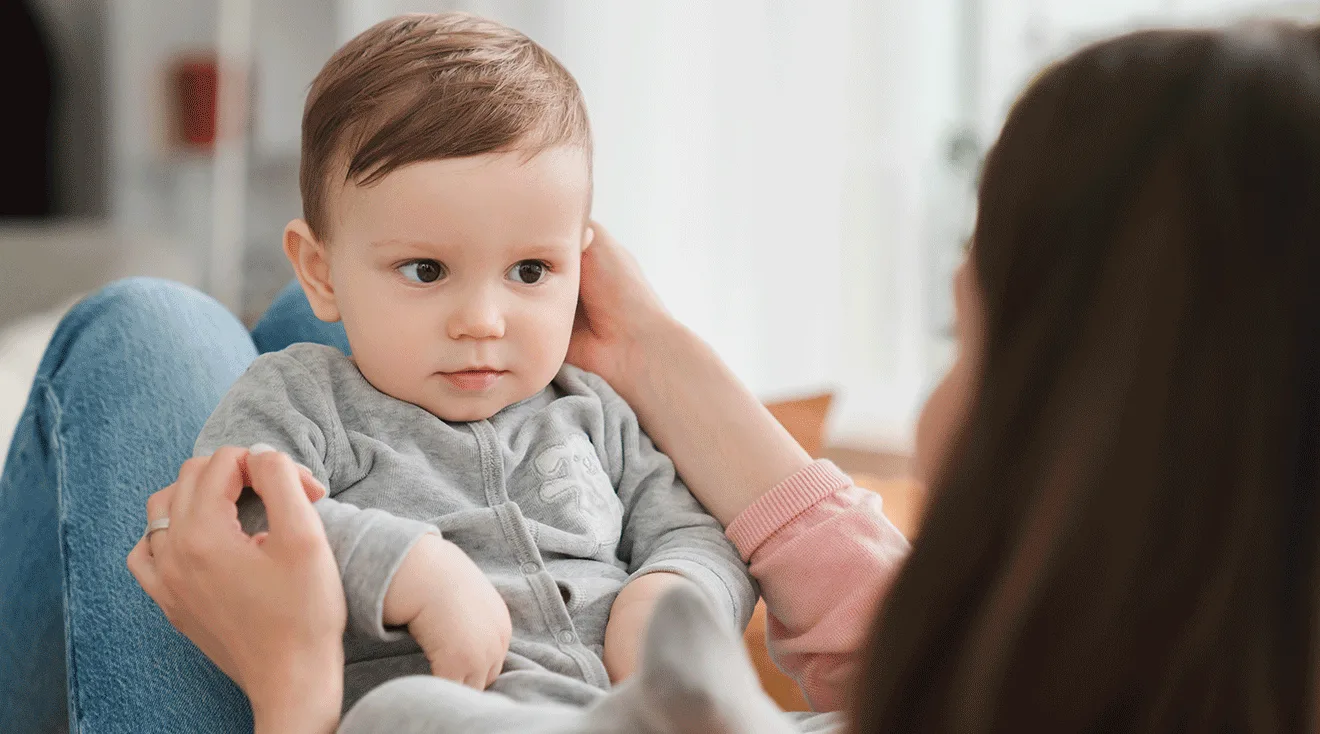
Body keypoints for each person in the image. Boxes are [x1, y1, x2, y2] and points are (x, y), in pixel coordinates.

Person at [7, 15, 1316, 734]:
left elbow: (674, 517)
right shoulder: (1116, 670)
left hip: (456, 704)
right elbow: (255, 485)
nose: (489, 321)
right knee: (312, 321)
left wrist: (296, 682)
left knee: (141, 328)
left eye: (968, 337)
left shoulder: (595, 417)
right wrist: (423, 558)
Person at [175, 11, 755, 715]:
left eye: (532, 270)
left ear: (582, 263)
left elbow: (695, 530)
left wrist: (669, 592)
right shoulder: (303, 397)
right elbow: (233, 517)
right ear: (320, 273)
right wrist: (413, 571)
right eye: (426, 270)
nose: (483, 320)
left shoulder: (596, 409)